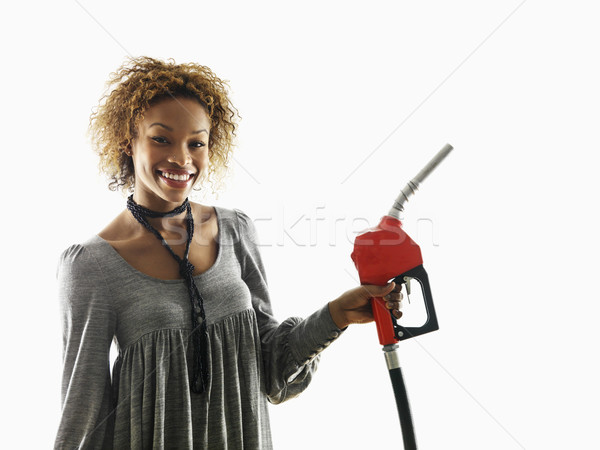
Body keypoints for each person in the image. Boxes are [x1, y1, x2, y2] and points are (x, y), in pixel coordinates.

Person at [54, 56, 403, 449]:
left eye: (196, 143)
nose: (182, 159)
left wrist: (336, 314)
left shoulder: (235, 230)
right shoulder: (93, 265)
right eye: (161, 138)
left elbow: (272, 370)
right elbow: (83, 414)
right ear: (126, 140)